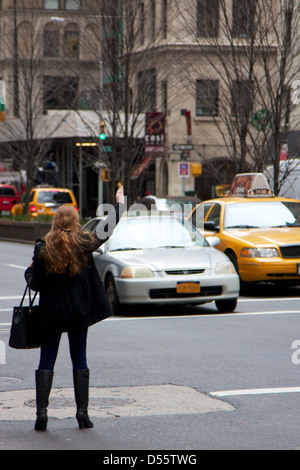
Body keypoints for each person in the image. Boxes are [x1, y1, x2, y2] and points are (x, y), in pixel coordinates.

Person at [24, 185, 125, 431]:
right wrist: (119, 205)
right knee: (79, 359)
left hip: (50, 314)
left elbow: (35, 283)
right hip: (78, 312)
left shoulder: (42, 249)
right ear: (75, 222)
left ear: (55, 222)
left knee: (46, 360)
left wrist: (30, 271)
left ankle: (42, 414)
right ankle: (82, 414)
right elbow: (106, 230)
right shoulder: (83, 244)